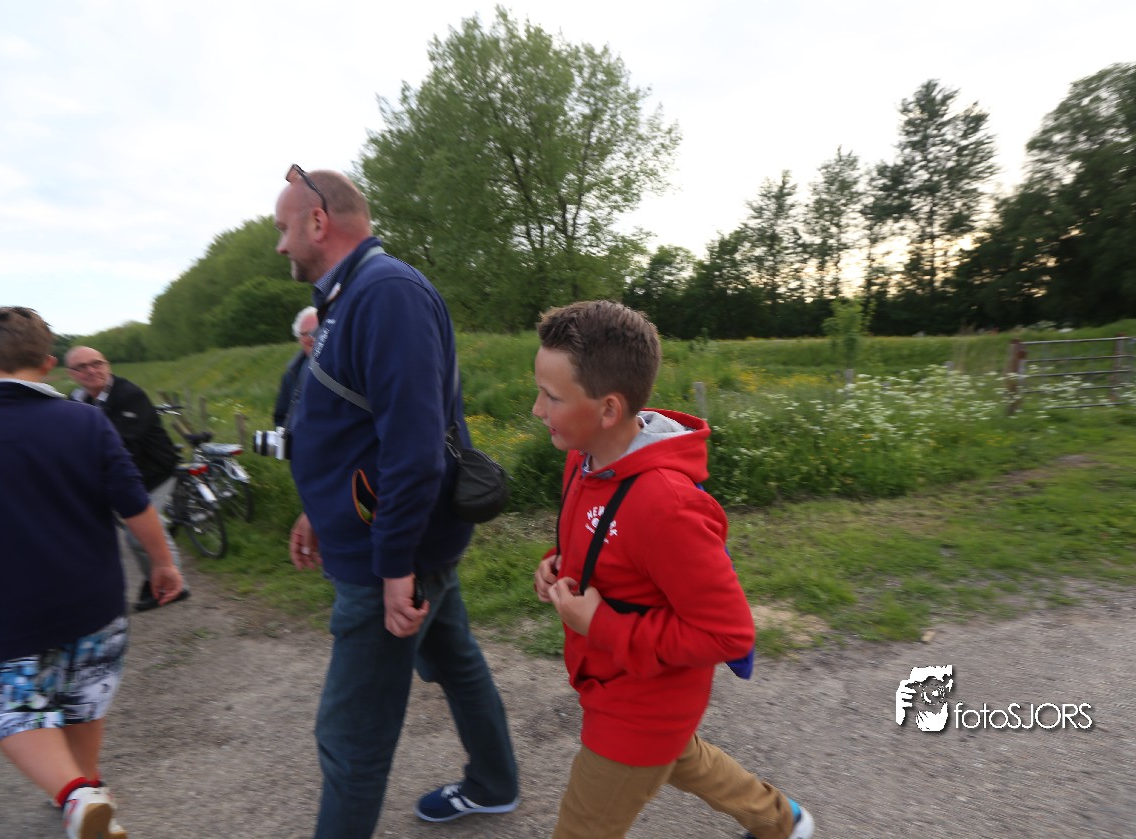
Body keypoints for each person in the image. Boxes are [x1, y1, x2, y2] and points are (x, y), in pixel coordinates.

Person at [275, 164, 518, 837]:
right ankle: (494, 783)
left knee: (350, 734)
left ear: (318, 221)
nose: (279, 245)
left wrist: (393, 569)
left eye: (282, 228)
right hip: (398, 543)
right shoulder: (350, 295)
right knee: (456, 662)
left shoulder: (385, 294)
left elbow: (412, 450)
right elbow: (351, 427)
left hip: (390, 553)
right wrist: (317, 507)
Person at [531, 300, 814, 839]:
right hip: (613, 680)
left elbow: (728, 634)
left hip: (638, 704)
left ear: (609, 409)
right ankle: (783, 822)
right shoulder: (584, 458)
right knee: (680, 754)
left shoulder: (667, 506)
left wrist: (601, 625)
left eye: (552, 396)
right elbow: (597, 542)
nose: (537, 409)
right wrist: (555, 564)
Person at [0, 306, 184, 839]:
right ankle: (88, 787)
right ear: (49, 364)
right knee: (84, 694)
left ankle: (76, 795)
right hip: (92, 600)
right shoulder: (84, 421)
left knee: (4, 706)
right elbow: (134, 502)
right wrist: (164, 564)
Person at [65, 346, 190, 611]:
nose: (91, 371)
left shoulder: (128, 395)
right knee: (131, 530)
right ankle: (154, 578)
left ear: (107, 365)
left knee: (141, 531)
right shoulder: (77, 400)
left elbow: (122, 444)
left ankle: (174, 585)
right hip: (120, 476)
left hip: (154, 472)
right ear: (71, 373)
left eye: (96, 363)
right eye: (81, 367)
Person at [273, 306, 319, 428]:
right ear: (299, 339)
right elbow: (281, 417)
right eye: (305, 334)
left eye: (315, 331)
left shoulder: (341, 366)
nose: (310, 338)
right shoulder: (292, 374)